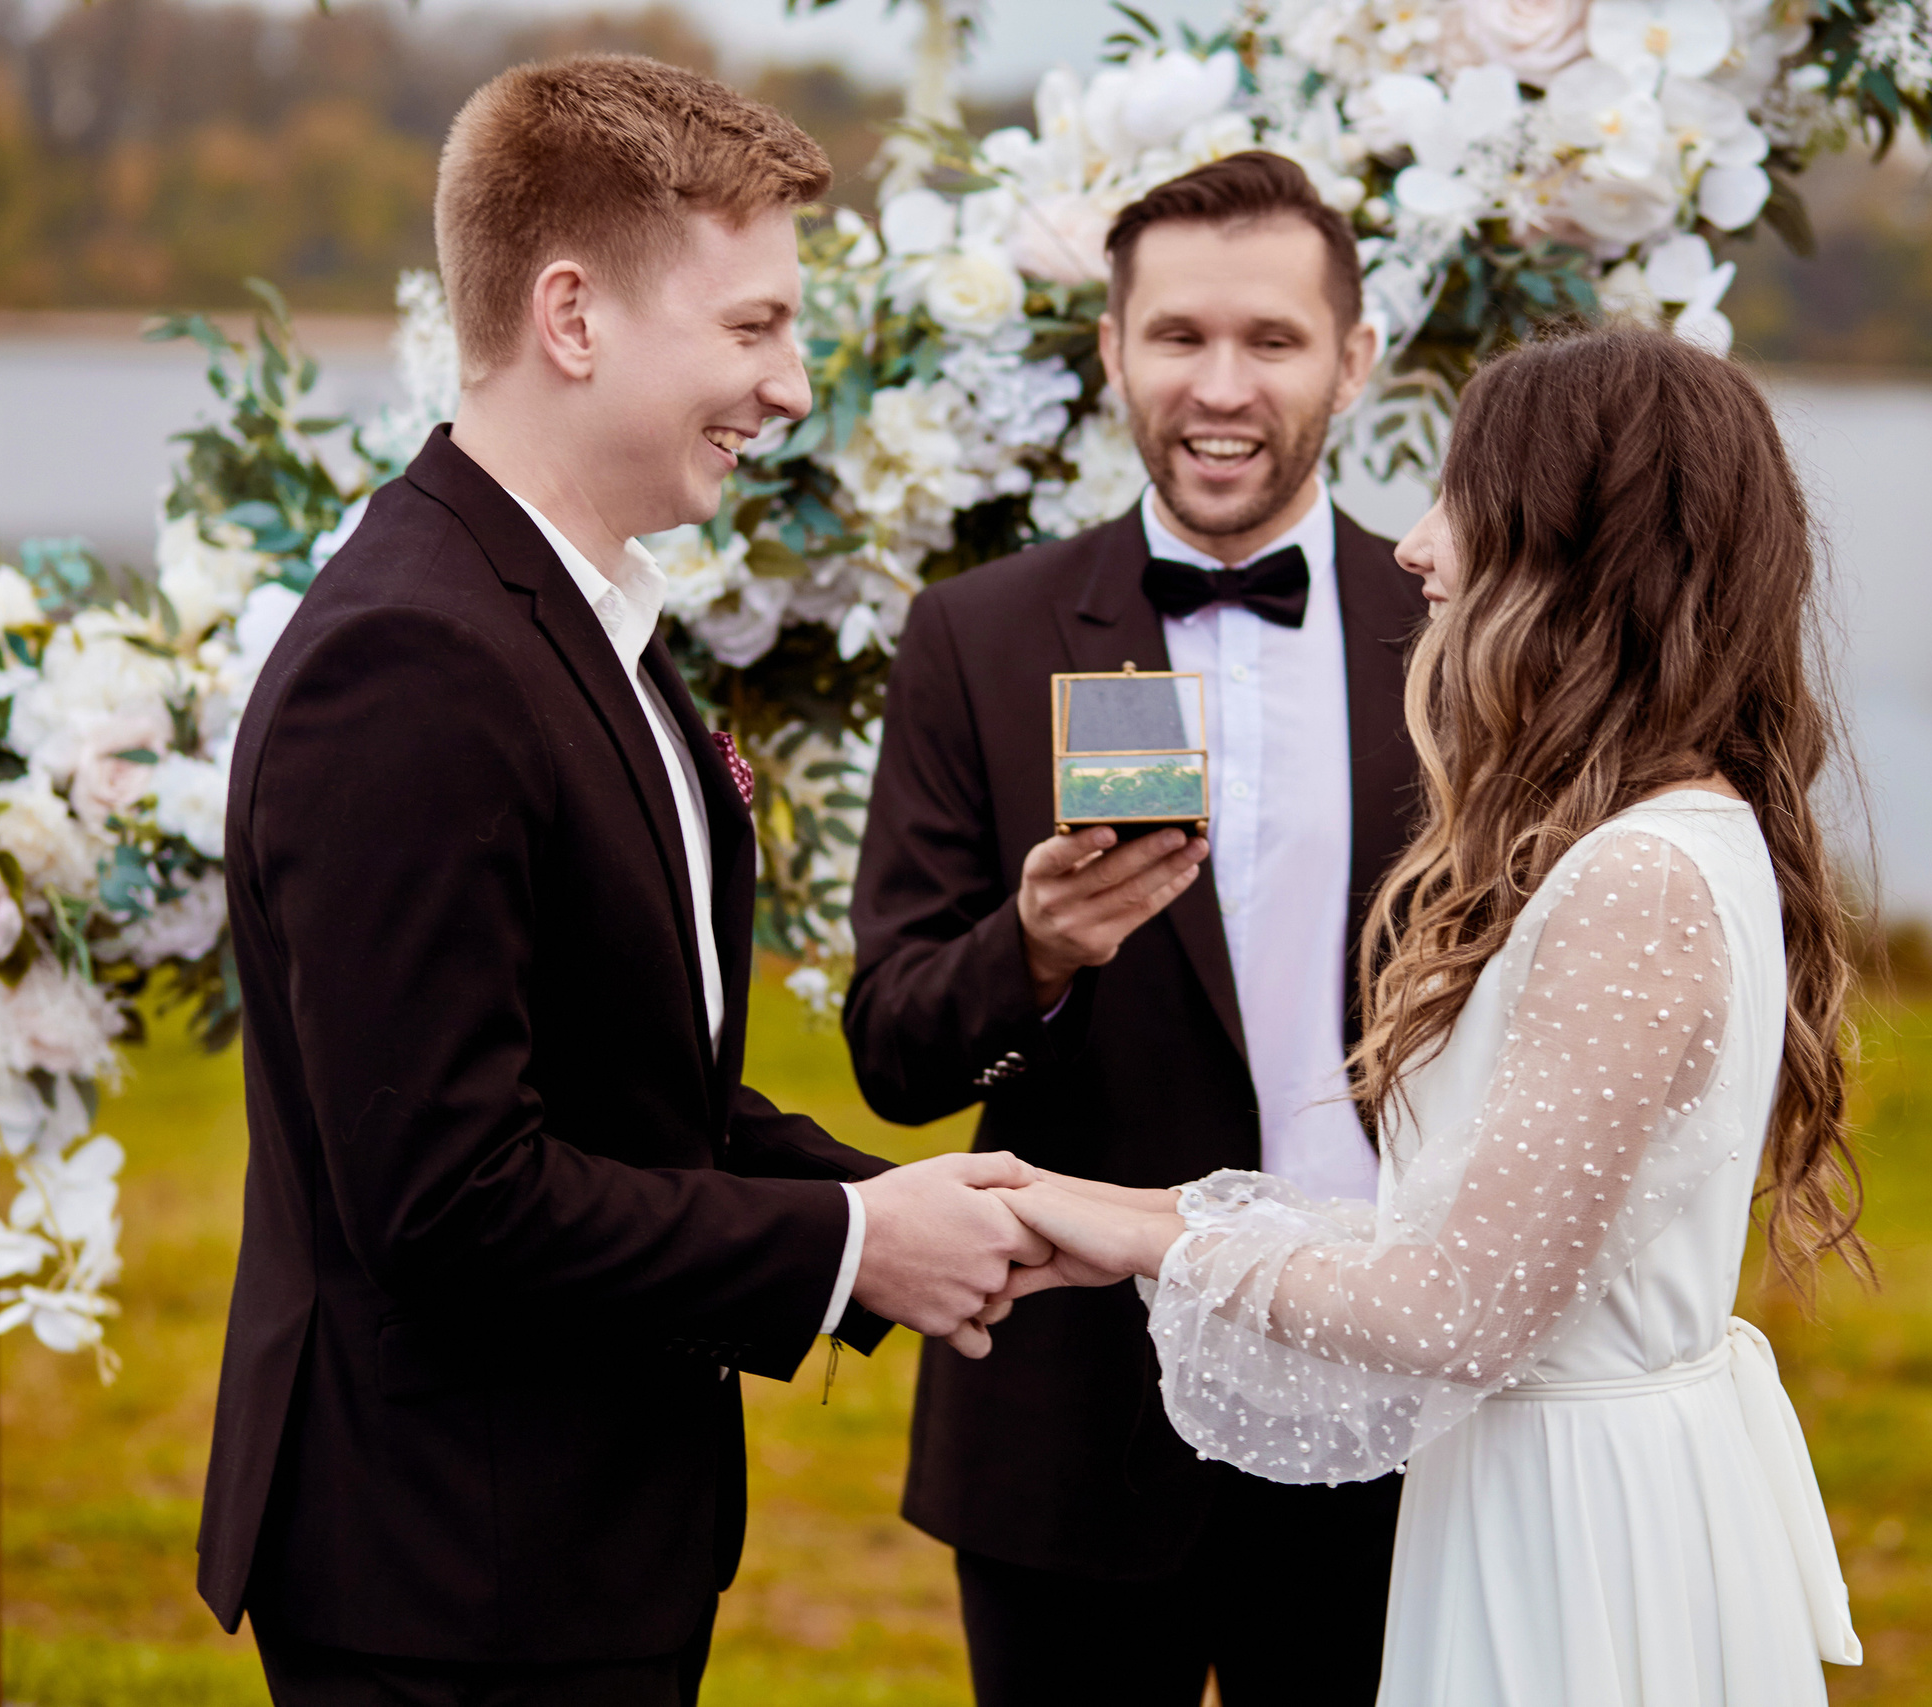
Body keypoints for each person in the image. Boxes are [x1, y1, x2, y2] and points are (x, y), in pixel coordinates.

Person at [195, 55, 1056, 1707]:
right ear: (573, 317)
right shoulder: (412, 660)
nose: (792, 387)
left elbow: (633, 1086)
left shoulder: (576, 616)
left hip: (574, 1547)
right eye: (754, 327)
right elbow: (449, 1201)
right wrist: (848, 1245)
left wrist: (928, 1208)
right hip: (450, 1583)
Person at [994, 326, 1873, 1705]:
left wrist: (1151, 1243)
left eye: (1460, 496)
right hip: (1541, 1487)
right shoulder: (1658, 840)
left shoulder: (1638, 878)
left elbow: (1459, 1307)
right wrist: (1122, 1215)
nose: (1415, 545)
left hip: (1579, 1541)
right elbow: (1480, 1242)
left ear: (1575, 550)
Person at [842, 152, 1424, 1705]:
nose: (1219, 386)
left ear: (1355, 359)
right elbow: (894, 1052)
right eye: (1177, 336)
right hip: (1077, 1424)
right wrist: (1030, 952)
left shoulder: (1461, 633)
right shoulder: (977, 635)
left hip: (1396, 1404)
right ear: (1112, 351)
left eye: (1271, 339)